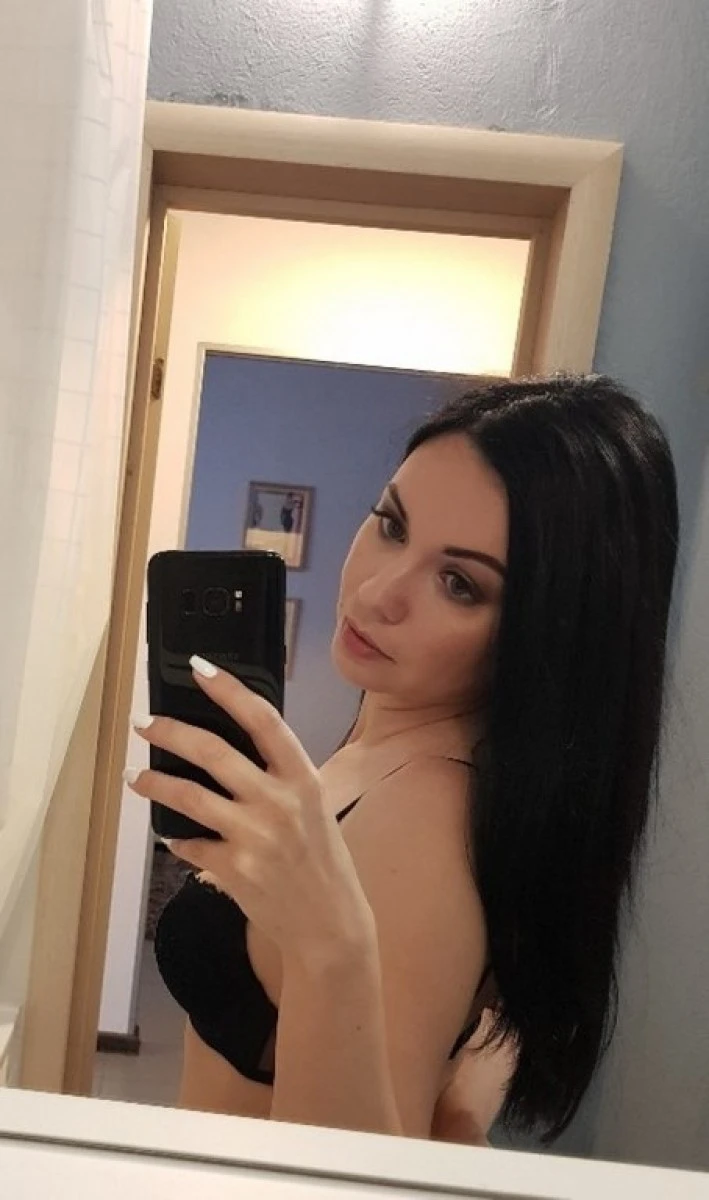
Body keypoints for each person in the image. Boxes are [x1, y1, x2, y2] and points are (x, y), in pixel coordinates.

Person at [125, 375, 679, 1145]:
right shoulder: (393, 746)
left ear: (546, 632)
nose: (378, 592)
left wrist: (329, 945)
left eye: (458, 583)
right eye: (391, 524)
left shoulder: (419, 815)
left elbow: (355, 1186)